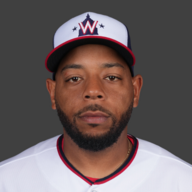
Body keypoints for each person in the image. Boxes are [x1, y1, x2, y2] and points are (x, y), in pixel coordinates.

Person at [0, 12, 192, 192]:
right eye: (74, 78)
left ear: (135, 90)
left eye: (111, 77)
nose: (93, 91)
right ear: (52, 92)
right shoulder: (7, 181)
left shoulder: (182, 182)